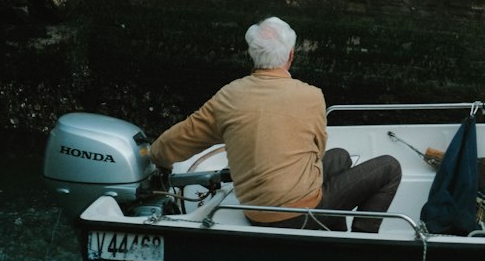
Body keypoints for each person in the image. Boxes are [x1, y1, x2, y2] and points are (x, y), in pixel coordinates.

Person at [148, 17, 401, 231]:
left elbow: (179, 140)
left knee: (340, 157)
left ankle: (329, 234)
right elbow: (316, 150)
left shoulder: (228, 96)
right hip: (298, 215)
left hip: (256, 212)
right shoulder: (311, 95)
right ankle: (358, 244)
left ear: (252, 54)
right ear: (290, 55)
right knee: (390, 167)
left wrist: (155, 156)